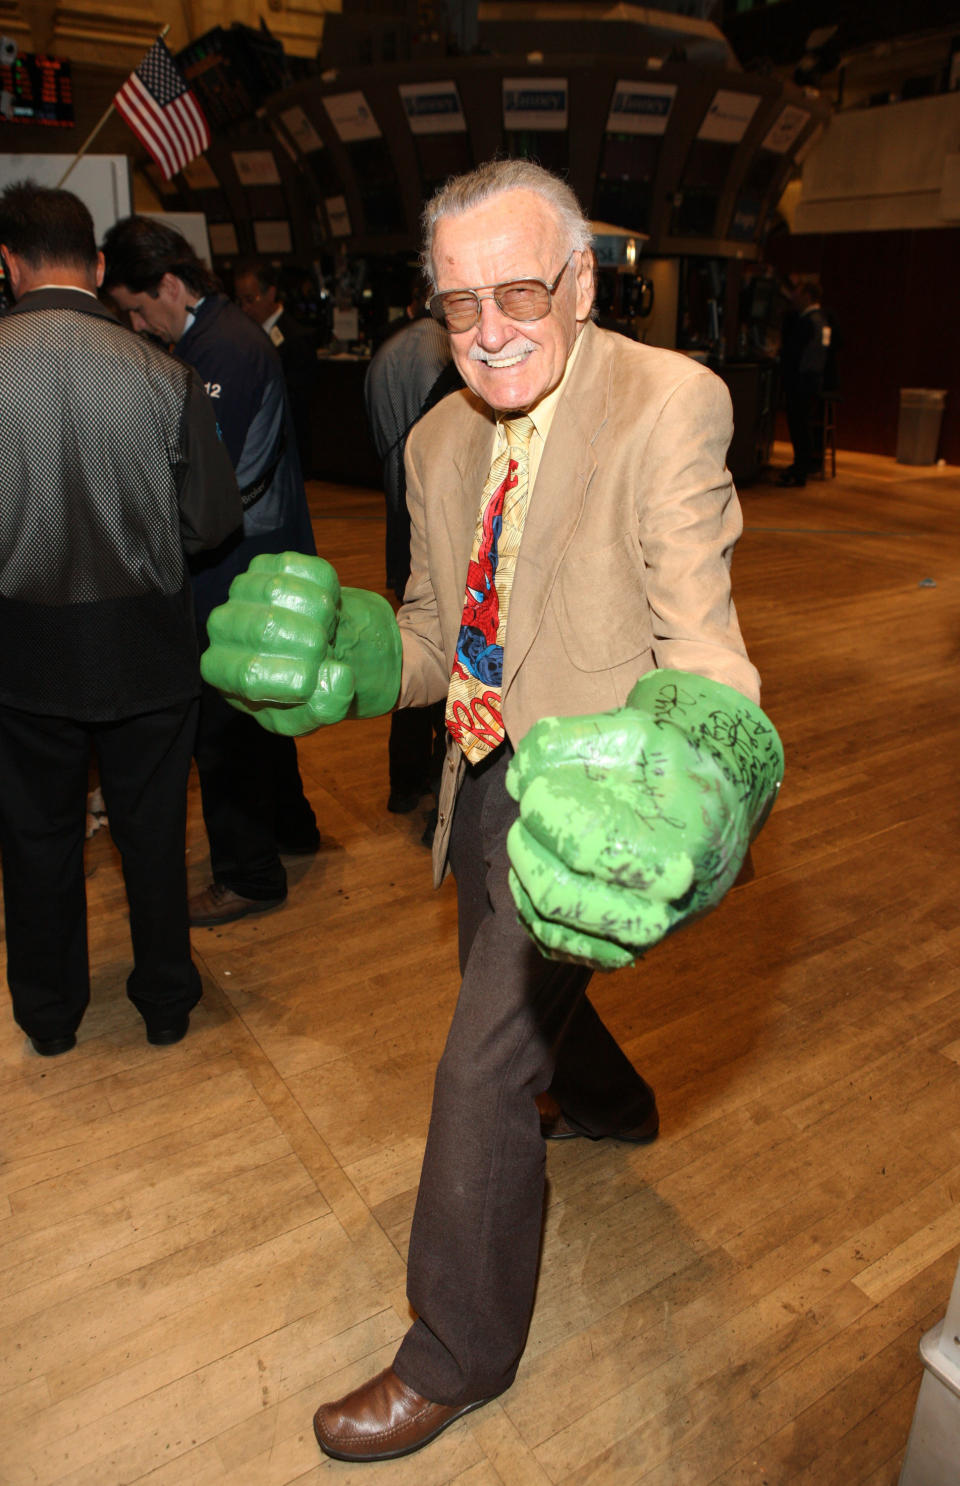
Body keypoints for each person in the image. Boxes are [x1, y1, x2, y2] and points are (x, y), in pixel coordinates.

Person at [201, 159, 784, 1461]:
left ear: (582, 282)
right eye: (457, 303)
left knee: (479, 1063)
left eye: (519, 290)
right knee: (508, 1002)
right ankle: (615, 1104)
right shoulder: (436, 437)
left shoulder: (663, 404)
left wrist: (704, 760)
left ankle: (455, 1348)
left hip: (605, 788)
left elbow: (708, 642)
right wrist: (363, 653)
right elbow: (434, 633)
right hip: (483, 774)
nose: (489, 330)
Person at [0, 182, 242, 1055]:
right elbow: (213, 520)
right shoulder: (164, 373)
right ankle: (166, 1001)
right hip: (146, 645)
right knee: (151, 834)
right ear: (98, 266)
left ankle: (50, 1015)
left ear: (9, 264)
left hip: (21, 651)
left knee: (36, 839)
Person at [100, 218, 320, 927]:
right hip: (250, 562)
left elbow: (207, 482)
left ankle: (248, 875)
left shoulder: (222, 348)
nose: (138, 323)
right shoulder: (214, 339)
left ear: (169, 283)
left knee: (222, 726)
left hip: (236, 570)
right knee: (262, 707)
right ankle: (292, 830)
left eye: (138, 307)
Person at [364, 312, 461, 825]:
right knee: (435, 643)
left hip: (404, 532)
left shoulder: (388, 352)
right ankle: (440, 796)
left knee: (425, 634)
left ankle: (408, 785)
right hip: (428, 540)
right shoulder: (450, 393)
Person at [234, 258, 317, 474]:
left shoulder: (296, 337)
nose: (245, 309)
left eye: (250, 300)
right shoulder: (242, 334)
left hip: (286, 445)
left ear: (270, 293)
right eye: (240, 302)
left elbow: (299, 398)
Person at [778, 273, 829, 487]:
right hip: (814, 380)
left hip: (801, 382)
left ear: (807, 295)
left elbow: (793, 353)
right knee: (804, 426)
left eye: (797, 294)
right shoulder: (822, 321)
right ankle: (803, 466)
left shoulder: (807, 322)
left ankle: (800, 470)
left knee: (799, 427)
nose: (793, 299)